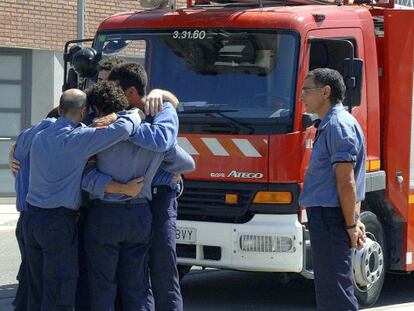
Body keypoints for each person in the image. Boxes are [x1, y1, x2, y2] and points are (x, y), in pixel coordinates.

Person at [23, 88, 142, 311]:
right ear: (84, 111)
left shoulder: (41, 135)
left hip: (32, 221)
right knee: (60, 292)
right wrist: (130, 112)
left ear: (60, 109)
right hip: (57, 223)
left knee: (38, 292)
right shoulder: (77, 139)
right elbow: (125, 128)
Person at [81, 80, 195, 311]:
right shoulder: (153, 137)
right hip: (141, 213)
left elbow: (83, 176)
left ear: (101, 110)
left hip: (105, 214)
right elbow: (187, 163)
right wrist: (167, 173)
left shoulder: (97, 134)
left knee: (103, 284)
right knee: (138, 285)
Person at [108, 63, 185, 311]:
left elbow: (163, 139)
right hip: (133, 201)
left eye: (115, 90)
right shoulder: (116, 113)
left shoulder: (157, 110)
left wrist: (124, 128)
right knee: (134, 273)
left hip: (160, 196)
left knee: (163, 264)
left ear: (130, 92)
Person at [299, 68, 366, 311]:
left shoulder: (337, 125)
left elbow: (347, 182)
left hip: (330, 217)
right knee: (331, 287)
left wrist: (350, 225)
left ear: (326, 92)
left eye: (307, 90)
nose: (302, 96)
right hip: (330, 216)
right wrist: (353, 220)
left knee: (335, 291)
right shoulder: (332, 123)